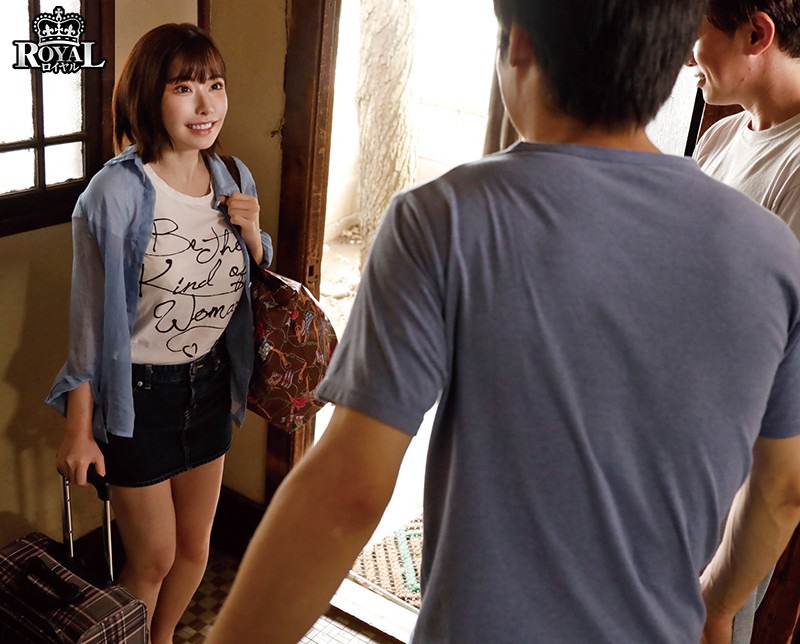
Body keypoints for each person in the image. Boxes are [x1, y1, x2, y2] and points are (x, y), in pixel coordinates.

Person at [209, 1, 800, 642]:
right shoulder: (774, 255)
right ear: (672, 55)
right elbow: (783, 488)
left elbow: (347, 492)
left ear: (518, 42)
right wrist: (716, 605)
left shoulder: (443, 220)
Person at [46, 23, 272, 644]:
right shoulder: (116, 192)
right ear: (150, 95)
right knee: (153, 559)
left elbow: (250, 276)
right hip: (140, 398)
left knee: (195, 550)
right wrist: (78, 430)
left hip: (211, 386)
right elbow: (89, 325)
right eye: (184, 88)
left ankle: (163, 637)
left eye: (215, 85)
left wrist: (254, 237)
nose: (206, 105)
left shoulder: (233, 176)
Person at [688, 3, 800, 641]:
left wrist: (720, 599)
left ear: (757, 33)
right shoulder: (723, 138)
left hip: (725, 493)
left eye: (695, 30)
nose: (686, 53)